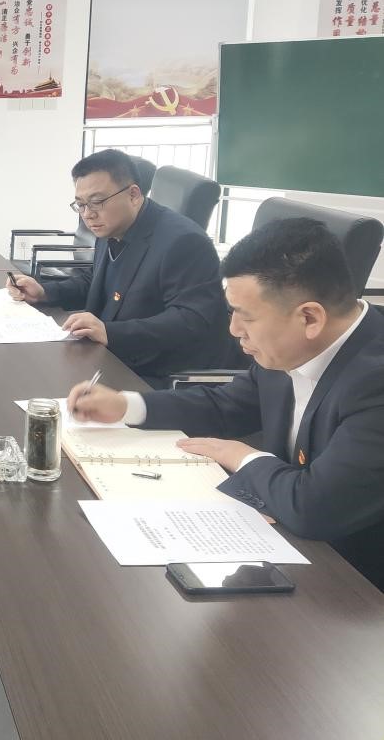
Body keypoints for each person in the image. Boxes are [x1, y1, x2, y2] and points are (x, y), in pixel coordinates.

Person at [68, 217, 384, 590]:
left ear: (310, 317)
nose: (233, 330)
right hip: (287, 543)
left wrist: (242, 456)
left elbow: (315, 507)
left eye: (246, 317)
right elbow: (226, 405)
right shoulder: (291, 344)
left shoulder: (374, 380)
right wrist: (127, 406)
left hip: (355, 585)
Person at [7, 149, 231, 384]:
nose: (88, 215)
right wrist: (44, 292)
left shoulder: (184, 242)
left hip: (160, 374)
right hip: (112, 358)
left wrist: (110, 332)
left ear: (133, 194)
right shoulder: (113, 225)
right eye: (80, 205)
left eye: (96, 202)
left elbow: (191, 321)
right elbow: (96, 281)